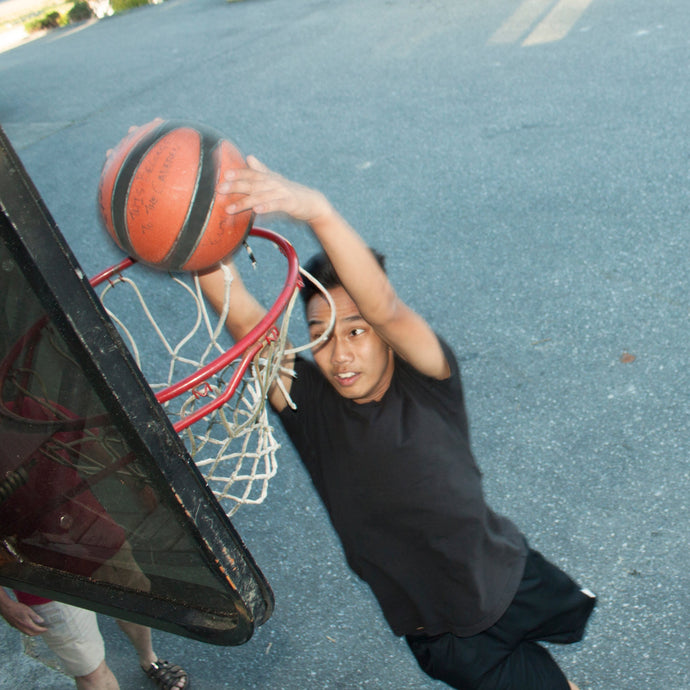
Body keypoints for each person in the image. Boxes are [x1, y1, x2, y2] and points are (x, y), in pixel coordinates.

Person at [199, 156, 596, 690]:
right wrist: (191, 234)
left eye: (357, 332)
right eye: (322, 332)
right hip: (444, 631)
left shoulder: (428, 378)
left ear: (385, 337)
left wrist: (316, 210)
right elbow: (246, 320)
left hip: (510, 577)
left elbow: (383, 304)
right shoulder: (310, 409)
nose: (339, 354)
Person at [0, 588, 188, 690]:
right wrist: (5, 603)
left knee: (132, 608)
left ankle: (150, 661)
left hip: (101, 539)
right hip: (43, 579)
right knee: (89, 671)